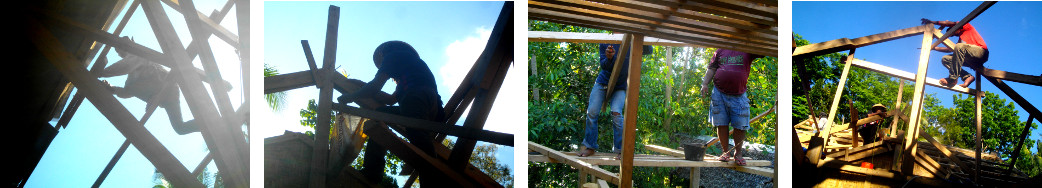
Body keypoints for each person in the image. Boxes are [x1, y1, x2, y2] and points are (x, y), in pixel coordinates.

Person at [337, 41, 450, 186]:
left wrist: (350, 97)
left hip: (416, 100)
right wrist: (361, 85)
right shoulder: (412, 69)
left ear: (382, 53)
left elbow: (375, 87)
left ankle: (433, 182)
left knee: (421, 145)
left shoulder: (393, 56)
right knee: (380, 115)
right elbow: (389, 100)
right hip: (431, 109)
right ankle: (372, 172)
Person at [98, 37, 201, 135]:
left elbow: (125, 66)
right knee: (180, 128)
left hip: (166, 87)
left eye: (118, 49)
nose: (118, 53)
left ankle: (209, 122)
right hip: (165, 96)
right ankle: (207, 123)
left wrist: (101, 72)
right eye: (117, 51)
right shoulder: (133, 76)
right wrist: (113, 89)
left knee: (180, 127)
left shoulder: (137, 55)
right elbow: (128, 91)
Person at [700, 49, 764, 166]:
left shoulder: (747, 47)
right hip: (719, 93)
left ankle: (738, 153)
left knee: (740, 124)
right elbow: (712, 68)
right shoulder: (720, 50)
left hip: (739, 95)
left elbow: (762, 51)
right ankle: (726, 152)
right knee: (721, 123)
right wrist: (704, 84)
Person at [578, 44, 629, 158]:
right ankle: (590, 147)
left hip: (620, 86)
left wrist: (644, 32)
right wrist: (609, 58)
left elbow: (648, 50)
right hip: (602, 82)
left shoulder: (631, 41)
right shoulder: (606, 43)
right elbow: (604, 66)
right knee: (592, 112)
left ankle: (621, 149)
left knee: (616, 112)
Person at [921, 18, 989, 88]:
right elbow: (950, 49)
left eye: (952, 32)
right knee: (945, 59)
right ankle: (967, 76)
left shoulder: (966, 27)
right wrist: (933, 48)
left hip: (981, 53)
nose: (953, 35)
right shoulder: (960, 42)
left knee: (959, 46)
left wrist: (932, 21)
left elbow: (950, 23)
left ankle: (952, 79)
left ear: (954, 28)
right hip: (970, 59)